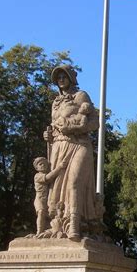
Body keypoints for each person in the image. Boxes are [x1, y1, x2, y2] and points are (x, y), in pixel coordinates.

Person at [43, 65, 100, 241]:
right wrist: (49, 135)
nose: (61, 79)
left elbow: (95, 123)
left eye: (63, 76)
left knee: (74, 182)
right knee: (57, 188)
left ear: (71, 77)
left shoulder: (81, 96)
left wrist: (76, 127)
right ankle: (56, 225)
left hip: (79, 144)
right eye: (58, 77)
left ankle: (75, 225)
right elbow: (54, 126)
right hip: (59, 147)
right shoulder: (56, 102)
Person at [32, 157, 68, 236]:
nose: (43, 166)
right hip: (39, 199)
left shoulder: (46, 174)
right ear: (36, 168)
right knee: (41, 212)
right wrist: (59, 167)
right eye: (40, 164)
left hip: (46, 199)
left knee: (47, 215)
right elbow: (48, 177)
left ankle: (46, 229)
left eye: (45, 164)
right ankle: (39, 231)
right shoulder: (37, 176)